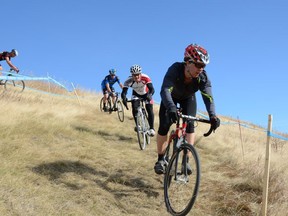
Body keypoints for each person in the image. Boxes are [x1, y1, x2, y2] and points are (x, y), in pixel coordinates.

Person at [154, 43, 220, 174]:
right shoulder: (175, 69)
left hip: (188, 99)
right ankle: (161, 159)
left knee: (190, 126)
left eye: (203, 66)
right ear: (188, 62)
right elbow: (165, 90)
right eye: (198, 64)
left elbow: (208, 98)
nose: (201, 69)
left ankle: (186, 161)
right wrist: (171, 107)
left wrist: (213, 115)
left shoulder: (202, 77)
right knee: (164, 126)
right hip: (170, 98)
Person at [121, 64, 156, 136]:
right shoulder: (128, 80)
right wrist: (124, 99)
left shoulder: (145, 77)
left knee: (149, 109)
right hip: (136, 94)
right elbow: (124, 92)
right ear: (132, 75)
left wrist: (150, 95)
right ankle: (138, 125)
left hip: (146, 94)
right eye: (134, 75)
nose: (136, 76)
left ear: (140, 74)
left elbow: (152, 89)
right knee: (134, 107)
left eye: (138, 74)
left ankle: (152, 128)